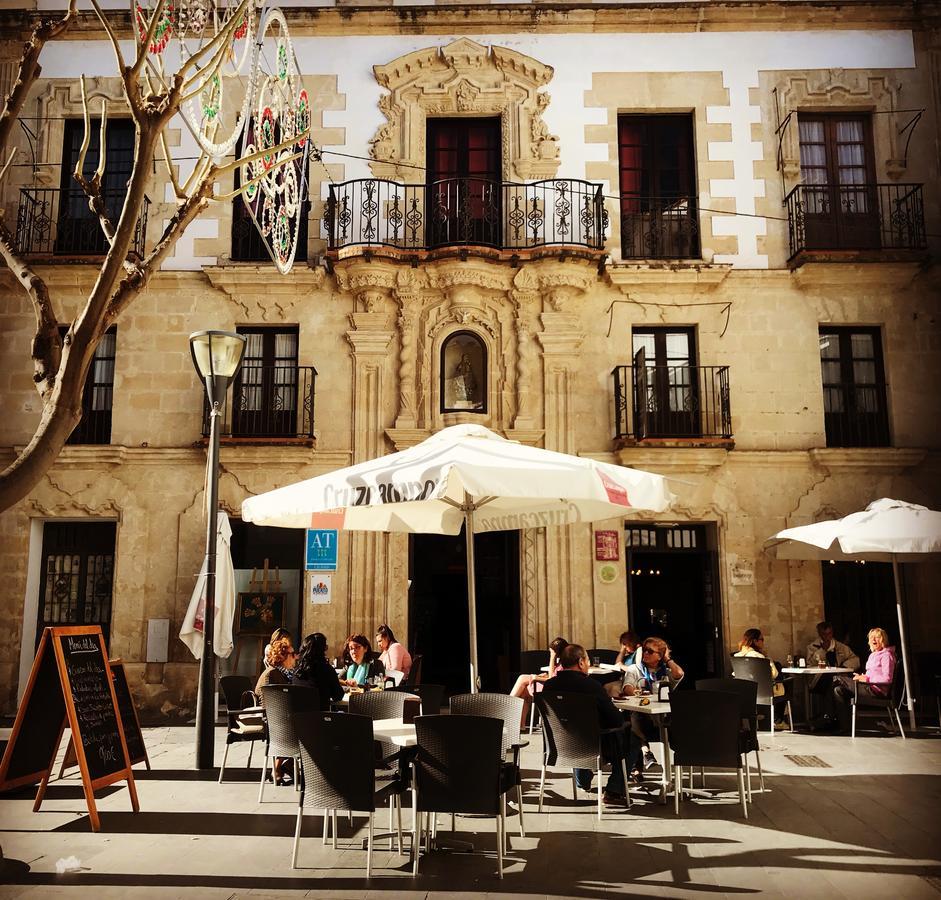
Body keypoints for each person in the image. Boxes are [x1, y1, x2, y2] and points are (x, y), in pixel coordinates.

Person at [542, 643, 628, 805]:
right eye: (587, 661)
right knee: (631, 736)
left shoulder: (549, 686)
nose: (588, 664)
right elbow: (615, 720)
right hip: (593, 746)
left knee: (578, 729)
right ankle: (614, 790)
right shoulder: (591, 686)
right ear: (581, 662)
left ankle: (582, 779)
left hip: (559, 746)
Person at [618, 637, 684, 781]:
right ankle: (645, 753)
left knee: (634, 726)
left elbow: (679, 674)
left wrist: (667, 660)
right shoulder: (635, 669)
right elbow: (627, 688)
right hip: (643, 718)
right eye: (644, 650)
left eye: (650, 651)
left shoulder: (666, 672)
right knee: (635, 715)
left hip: (663, 719)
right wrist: (638, 692)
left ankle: (641, 758)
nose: (645, 653)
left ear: (659, 656)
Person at [832, 627, 896, 733]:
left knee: (837, 678)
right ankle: (845, 726)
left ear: (883, 640)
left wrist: (866, 678)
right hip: (868, 686)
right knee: (838, 690)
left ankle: (827, 717)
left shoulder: (886, 655)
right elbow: (873, 674)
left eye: (877, 637)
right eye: (871, 637)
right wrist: (862, 677)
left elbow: (887, 678)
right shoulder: (873, 655)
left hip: (876, 691)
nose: (874, 639)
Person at [254, 636, 296, 785]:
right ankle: (282, 767)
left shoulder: (280, 673)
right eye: (292, 654)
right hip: (273, 721)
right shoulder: (273, 675)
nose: (295, 657)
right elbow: (271, 705)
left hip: (277, 718)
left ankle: (286, 766)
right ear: (283, 657)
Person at [806, 621, 860, 728]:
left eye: (829, 634)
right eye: (824, 634)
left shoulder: (841, 647)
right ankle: (828, 716)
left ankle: (829, 716)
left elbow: (856, 660)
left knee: (835, 683)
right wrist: (822, 651)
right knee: (832, 682)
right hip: (819, 680)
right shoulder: (812, 647)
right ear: (819, 634)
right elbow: (809, 663)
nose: (827, 637)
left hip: (837, 678)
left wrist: (843, 667)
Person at [734, 627, 788, 729]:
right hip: (764, 691)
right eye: (762, 640)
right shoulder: (760, 657)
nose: (763, 642)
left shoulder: (737, 656)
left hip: (746, 691)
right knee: (784, 685)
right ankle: (778, 721)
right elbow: (774, 674)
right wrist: (770, 661)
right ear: (755, 641)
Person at [509, 636, 568, 729]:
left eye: (552, 652)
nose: (551, 654)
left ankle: (507, 703)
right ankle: (521, 726)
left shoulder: (563, 663)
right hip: (550, 686)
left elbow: (552, 678)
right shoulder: (561, 662)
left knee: (522, 678)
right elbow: (552, 675)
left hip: (552, 690)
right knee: (524, 693)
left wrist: (552, 658)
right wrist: (542, 676)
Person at [292, 632, 344, 709]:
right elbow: (338, 696)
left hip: (300, 718)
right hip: (320, 718)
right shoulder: (327, 670)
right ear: (322, 650)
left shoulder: (296, 672)